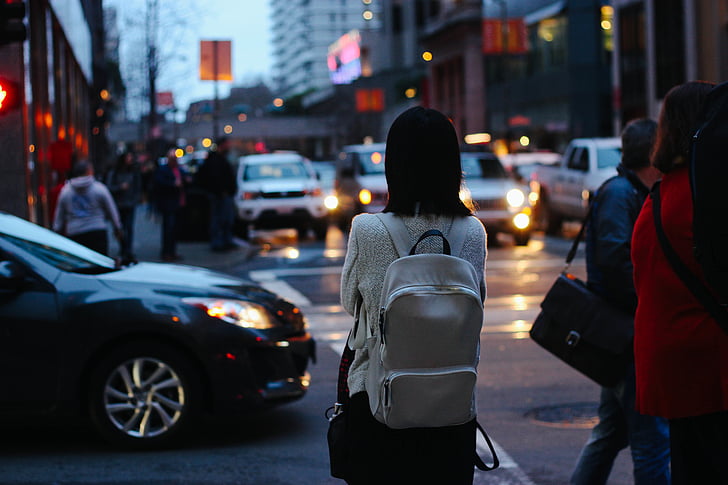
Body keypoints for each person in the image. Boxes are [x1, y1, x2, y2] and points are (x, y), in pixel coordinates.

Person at [339, 107, 487, 485]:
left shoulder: (366, 229)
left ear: (394, 165)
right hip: (452, 409)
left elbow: (349, 303)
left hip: (378, 406)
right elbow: (477, 306)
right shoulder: (473, 233)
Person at [631, 80, 728, 485]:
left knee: (690, 465)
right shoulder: (704, 196)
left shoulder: (657, 196)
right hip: (711, 360)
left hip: (669, 361)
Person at [570, 119, 670, 485]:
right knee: (651, 438)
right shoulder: (620, 194)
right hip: (624, 334)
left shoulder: (631, 191)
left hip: (623, 332)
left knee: (612, 432)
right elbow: (615, 264)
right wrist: (654, 300)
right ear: (654, 154)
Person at [52, 160, 122, 256]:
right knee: (99, 265)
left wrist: (56, 232)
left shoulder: (66, 192)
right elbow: (111, 210)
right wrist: (117, 227)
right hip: (97, 230)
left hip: (75, 233)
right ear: (89, 171)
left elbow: (59, 216)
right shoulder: (100, 189)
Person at [196, 136, 238, 251]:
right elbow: (213, 178)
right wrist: (220, 191)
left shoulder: (219, 158)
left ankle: (224, 241)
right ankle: (218, 243)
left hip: (222, 194)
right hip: (219, 195)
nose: (229, 146)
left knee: (225, 219)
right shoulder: (215, 159)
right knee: (219, 219)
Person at [153, 149, 189, 262]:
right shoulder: (163, 170)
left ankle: (172, 251)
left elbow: (187, 177)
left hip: (177, 202)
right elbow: (159, 184)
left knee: (174, 229)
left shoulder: (179, 169)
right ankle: (167, 252)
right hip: (168, 203)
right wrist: (173, 184)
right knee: (168, 229)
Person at [106, 151, 142, 262]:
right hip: (119, 204)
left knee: (129, 227)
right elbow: (109, 187)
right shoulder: (115, 173)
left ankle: (128, 250)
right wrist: (120, 187)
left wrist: (135, 199)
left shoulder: (133, 172)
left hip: (129, 203)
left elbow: (138, 187)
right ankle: (123, 248)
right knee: (120, 227)